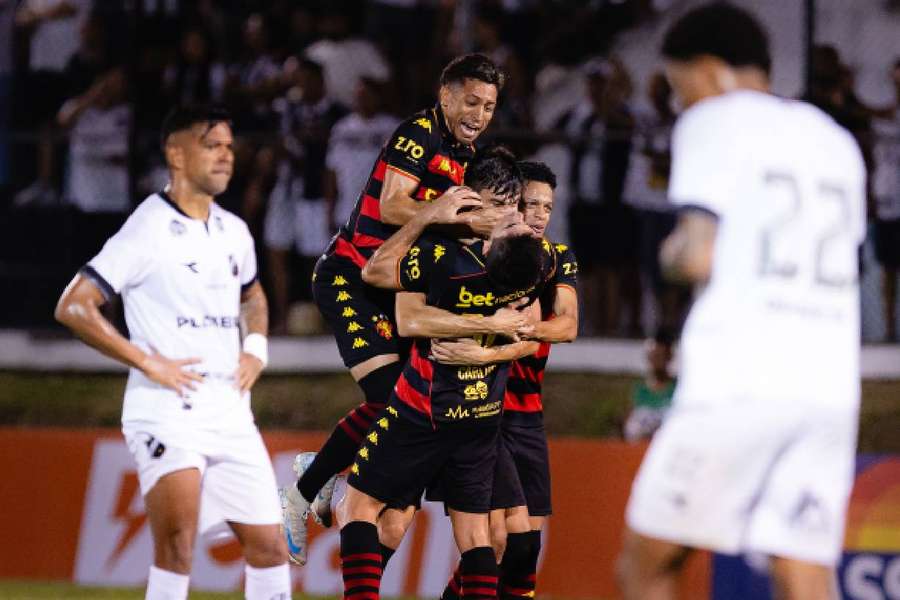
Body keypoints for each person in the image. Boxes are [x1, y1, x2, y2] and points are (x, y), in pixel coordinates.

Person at [616, 4, 866, 600]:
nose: (682, 105)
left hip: (741, 378)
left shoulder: (716, 121)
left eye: (681, 88)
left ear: (711, 71)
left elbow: (697, 255)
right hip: (828, 387)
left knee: (646, 564)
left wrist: (669, 252)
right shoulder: (835, 139)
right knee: (803, 572)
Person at [54, 106, 291, 600]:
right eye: (213, 145)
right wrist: (146, 360)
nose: (227, 155)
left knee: (270, 548)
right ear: (176, 154)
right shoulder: (148, 228)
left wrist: (255, 349)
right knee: (177, 547)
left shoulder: (234, 231)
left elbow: (253, 295)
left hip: (230, 412)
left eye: (229, 145)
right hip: (167, 412)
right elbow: (74, 307)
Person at [281, 53, 508, 566]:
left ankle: (320, 467)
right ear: (445, 95)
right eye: (471, 101)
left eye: (489, 106)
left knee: (408, 402)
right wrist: (459, 219)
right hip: (350, 276)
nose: (479, 113)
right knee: (391, 398)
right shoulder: (419, 133)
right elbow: (391, 205)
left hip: (395, 289)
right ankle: (303, 490)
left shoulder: (470, 156)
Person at [338, 150, 546, 599]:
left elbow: (402, 308)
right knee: (476, 538)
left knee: (360, 508)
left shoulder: (439, 256)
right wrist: (491, 333)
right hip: (482, 417)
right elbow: (533, 333)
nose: (500, 217)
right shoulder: (532, 260)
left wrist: (427, 217)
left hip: (424, 411)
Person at [435, 160, 579, 600]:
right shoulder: (477, 258)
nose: (538, 214)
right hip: (482, 408)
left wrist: (522, 328)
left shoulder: (556, 260)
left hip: (527, 413)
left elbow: (568, 325)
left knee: (524, 546)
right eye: (529, 203)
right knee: (500, 538)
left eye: (547, 206)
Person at [623, 329, 675, 443]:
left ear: (669, 357)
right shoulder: (640, 391)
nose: (658, 361)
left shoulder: (678, 389)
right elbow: (628, 426)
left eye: (662, 356)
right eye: (655, 356)